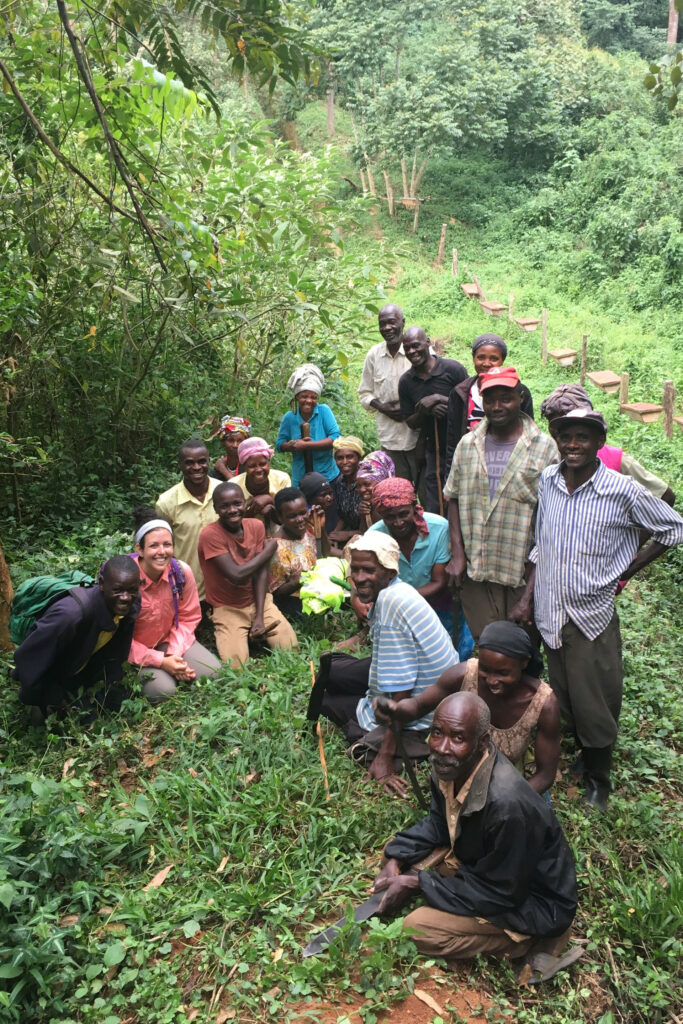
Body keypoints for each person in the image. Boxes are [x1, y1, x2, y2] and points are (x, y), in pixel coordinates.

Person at [523, 407, 683, 811]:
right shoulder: (548, 480)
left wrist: (627, 570)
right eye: (566, 436)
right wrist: (529, 596)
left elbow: (673, 528)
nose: (573, 444)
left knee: (595, 696)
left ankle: (600, 778)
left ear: (598, 444)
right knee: (563, 692)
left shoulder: (621, 489)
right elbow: (542, 542)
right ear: (557, 440)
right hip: (550, 609)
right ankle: (580, 755)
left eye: (583, 437)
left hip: (590, 613)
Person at [373, 692, 578, 973]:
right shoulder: (450, 767)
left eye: (457, 738)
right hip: (488, 865)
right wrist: (396, 859)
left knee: (416, 929)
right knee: (393, 852)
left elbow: (502, 894)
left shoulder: (508, 806)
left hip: (532, 902)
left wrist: (418, 883)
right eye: (436, 733)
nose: (442, 747)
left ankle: (527, 942)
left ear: (482, 742)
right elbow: (440, 823)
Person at [320, 532, 458, 796]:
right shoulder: (398, 589)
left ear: (388, 570)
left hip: (420, 708)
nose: (359, 577)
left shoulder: (391, 601)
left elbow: (401, 692)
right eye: (355, 569)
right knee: (334, 670)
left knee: (328, 700)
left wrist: (385, 756)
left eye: (369, 570)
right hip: (425, 687)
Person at [376, 621, 560, 795]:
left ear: (524, 663)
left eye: (503, 673)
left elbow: (544, 776)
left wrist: (509, 801)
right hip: (456, 770)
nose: (491, 681)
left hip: (504, 780)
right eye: (485, 670)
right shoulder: (463, 675)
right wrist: (395, 708)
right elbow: (417, 706)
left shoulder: (544, 704)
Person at [443, 367, 558, 640]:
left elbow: (552, 522)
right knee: (488, 647)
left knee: (521, 651)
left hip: (519, 571)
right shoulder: (467, 444)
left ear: (520, 397)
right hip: (476, 570)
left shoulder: (545, 448)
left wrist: (531, 588)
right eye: (489, 399)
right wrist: (458, 554)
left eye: (505, 398)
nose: (497, 406)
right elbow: (454, 498)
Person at [14, 556, 140, 715]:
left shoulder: (133, 602)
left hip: (81, 665)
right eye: (117, 590)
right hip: (53, 671)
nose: (125, 598)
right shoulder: (69, 616)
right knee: (52, 719)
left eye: (132, 590)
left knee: (101, 711)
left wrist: (110, 693)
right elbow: (28, 657)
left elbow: (117, 654)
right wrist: (44, 696)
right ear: (101, 584)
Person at [197, 482, 298, 668]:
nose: (232, 510)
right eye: (224, 506)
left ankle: (255, 633)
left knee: (291, 649)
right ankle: (243, 636)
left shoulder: (256, 526)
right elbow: (236, 575)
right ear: (215, 509)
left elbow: (261, 574)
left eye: (237, 503)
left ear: (245, 503)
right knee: (236, 666)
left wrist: (259, 616)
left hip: (258, 600)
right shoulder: (210, 535)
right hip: (227, 607)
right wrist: (268, 552)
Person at [127, 508, 220, 703]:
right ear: (140, 549)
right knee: (163, 691)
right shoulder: (126, 581)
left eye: (167, 544)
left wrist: (174, 656)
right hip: (135, 650)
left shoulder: (180, 572)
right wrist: (160, 661)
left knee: (213, 674)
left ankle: (174, 669)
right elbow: (118, 638)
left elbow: (189, 617)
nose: (161, 552)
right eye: (153, 546)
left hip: (168, 639)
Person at [540, 384, 675, 504]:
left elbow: (665, 496)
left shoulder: (617, 460)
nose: (570, 441)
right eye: (555, 425)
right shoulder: (548, 461)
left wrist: (639, 532)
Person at [398, 327, 467, 514]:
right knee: (435, 502)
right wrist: (423, 410)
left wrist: (439, 398)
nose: (412, 351)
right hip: (432, 452)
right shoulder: (406, 382)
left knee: (462, 497)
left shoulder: (453, 369)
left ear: (428, 342)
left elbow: (470, 404)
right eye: (407, 348)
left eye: (416, 345)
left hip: (461, 447)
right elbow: (410, 422)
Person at [445, 334, 534, 471]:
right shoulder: (459, 393)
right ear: (473, 357)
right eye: (481, 357)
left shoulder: (518, 392)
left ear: (502, 360)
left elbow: (529, 430)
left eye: (494, 358)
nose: (486, 363)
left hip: (510, 462)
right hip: (470, 463)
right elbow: (452, 440)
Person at [358, 304, 420, 483]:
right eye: (382, 324)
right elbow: (364, 392)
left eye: (391, 322)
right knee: (397, 491)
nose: (387, 328)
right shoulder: (374, 355)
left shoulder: (418, 351)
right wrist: (382, 407)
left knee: (425, 493)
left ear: (403, 322)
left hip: (418, 438)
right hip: (390, 439)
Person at [156, 439, 220, 602]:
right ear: (180, 465)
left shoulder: (223, 492)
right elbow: (161, 547)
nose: (197, 467)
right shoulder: (167, 503)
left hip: (223, 589)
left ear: (209, 461)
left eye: (201, 461)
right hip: (187, 589)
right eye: (190, 463)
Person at [275, 364, 341, 487]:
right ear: (297, 397)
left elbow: (335, 438)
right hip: (301, 478)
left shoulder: (324, 411)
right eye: (304, 396)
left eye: (313, 397)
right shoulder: (289, 417)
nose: (309, 401)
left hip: (327, 476)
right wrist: (292, 445)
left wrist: (306, 445)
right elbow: (279, 444)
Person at [268, 487, 326, 618]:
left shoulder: (309, 527)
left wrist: (321, 529)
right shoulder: (276, 547)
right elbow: (275, 594)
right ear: (280, 517)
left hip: (318, 586)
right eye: (292, 516)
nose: (300, 519)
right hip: (295, 599)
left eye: (302, 513)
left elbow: (324, 555)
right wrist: (296, 582)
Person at [231, 437, 291, 535]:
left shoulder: (281, 479)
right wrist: (252, 511)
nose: (258, 470)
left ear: (269, 463)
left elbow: (290, 516)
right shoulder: (234, 486)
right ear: (244, 467)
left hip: (280, 538)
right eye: (252, 466)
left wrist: (270, 500)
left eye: (263, 464)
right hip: (246, 537)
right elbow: (230, 524)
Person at [329, 435, 364, 546]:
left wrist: (348, 534)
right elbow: (343, 517)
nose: (344, 462)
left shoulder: (366, 483)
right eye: (340, 458)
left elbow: (374, 525)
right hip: (351, 531)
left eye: (350, 457)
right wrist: (334, 535)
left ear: (358, 458)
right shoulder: (340, 482)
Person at [357, 450, 396, 528]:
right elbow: (366, 533)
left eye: (367, 484)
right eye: (358, 485)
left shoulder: (395, 504)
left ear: (382, 481)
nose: (361, 490)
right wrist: (363, 516)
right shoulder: (369, 504)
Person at [211, 415, 251, 481]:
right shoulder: (216, 472)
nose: (235, 445)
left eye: (239, 441)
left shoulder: (250, 466)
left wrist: (223, 470)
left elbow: (240, 489)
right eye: (231, 440)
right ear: (223, 442)